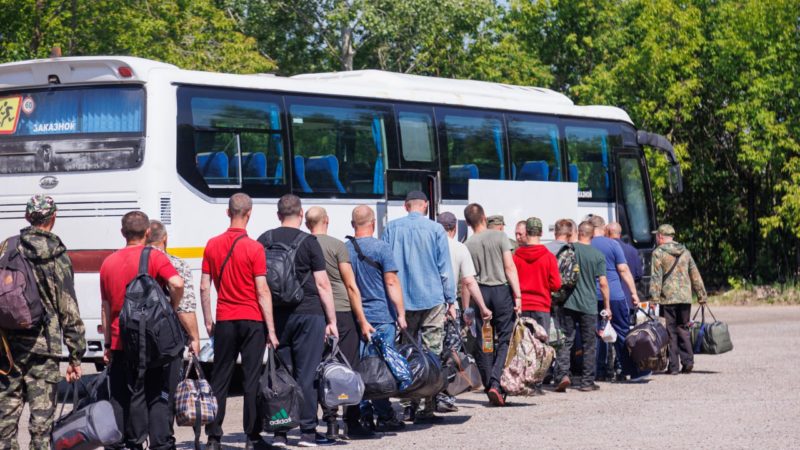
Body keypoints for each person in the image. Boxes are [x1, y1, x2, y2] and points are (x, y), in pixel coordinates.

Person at [0, 195, 85, 450]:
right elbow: (68, 308)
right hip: (44, 348)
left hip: (7, 348)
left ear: (27, 217)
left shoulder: (7, 247)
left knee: (5, 419)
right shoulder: (57, 255)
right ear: (53, 218)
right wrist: (75, 355)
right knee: (41, 425)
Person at [257, 194, 338, 447]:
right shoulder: (309, 242)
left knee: (281, 375)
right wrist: (331, 319)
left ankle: (280, 432)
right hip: (309, 312)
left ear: (278, 214)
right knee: (306, 374)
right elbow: (323, 284)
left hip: (277, 316)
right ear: (301, 215)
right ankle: (307, 433)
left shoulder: (264, 240)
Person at [100, 211, 184, 449]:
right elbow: (177, 283)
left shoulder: (108, 262)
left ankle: (127, 443)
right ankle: (160, 443)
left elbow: (105, 307)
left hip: (120, 340)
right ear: (148, 232)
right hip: (152, 342)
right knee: (157, 394)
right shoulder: (155, 257)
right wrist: (170, 309)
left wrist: (107, 344)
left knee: (122, 397)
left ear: (122, 233)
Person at [201, 193, 277, 450]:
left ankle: (213, 437)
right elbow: (262, 291)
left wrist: (208, 319)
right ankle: (252, 437)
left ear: (227, 212)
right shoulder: (255, 248)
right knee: (251, 379)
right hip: (252, 320)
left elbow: (204, 287)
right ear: (250, 213)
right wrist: (272, 330)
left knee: (220, 379)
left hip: (224, 319)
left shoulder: (212, 244)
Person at [381, 191, 455, 423]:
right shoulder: (435, 230)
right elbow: (445, 268)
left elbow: (384, 266)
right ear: (426, 205)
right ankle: (428, 404)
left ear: (405, 206)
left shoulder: (391, 229)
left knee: (406, 351)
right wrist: (451, 300)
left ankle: (407, 403)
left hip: (402, 300)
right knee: (432, 352)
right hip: (432, 298)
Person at [305, 206, 373, 440]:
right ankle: (351, 423)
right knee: (347, 368)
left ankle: (329, 423)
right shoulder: (337, 246)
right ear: (327, 220)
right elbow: (351, 285)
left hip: (314, 313)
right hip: (342, 312)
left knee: (319, 369)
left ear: (307, 224)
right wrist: (362, 320)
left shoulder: (303, 244)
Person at [346, 205, 407, 433]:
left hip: (357, 318)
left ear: (353, 225)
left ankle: (363, 414)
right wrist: (401, 313)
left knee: (361, 368)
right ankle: (385, 415)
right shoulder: (382, 248)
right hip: (382, 317)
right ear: (373, 223)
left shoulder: (345, 250)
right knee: (381, 369)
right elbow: (391, 282)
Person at [463, 204, 522, 406]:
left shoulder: (468, 243)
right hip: (501, 292)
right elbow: (509, 267)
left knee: (485, 340)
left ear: (468, 223)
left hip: (480, 293)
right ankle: (496, 382)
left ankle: (489, 385)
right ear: (484, 218)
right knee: (505, 338)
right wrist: (518, 296)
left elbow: (466, 279)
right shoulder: (500, 237)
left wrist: (468, 308)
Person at [435, 212, 492, 413]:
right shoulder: (460, 248)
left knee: (428, 351)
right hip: (451, 310)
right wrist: (483, 308)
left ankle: (422, 398)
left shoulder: (430, 245)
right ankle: (443, 396)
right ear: (455, 229)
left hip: (428, 307)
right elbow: (468, 281)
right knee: (450, 354)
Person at [554, 221, 609, 393]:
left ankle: (562, 376)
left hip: (568, 303)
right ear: (592, 235)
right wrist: (607, 306)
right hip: (588, 305)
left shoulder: (569, 249)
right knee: (589, 344)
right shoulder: (598, 255)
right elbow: (603, 283)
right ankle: (587, 382)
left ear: (578, 232)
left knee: (566, 341)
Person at [588, 216, 642, 382]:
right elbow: (624, 270)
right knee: (621, 332)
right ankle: (629, 370)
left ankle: (598, 372)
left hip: (590, 295)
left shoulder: (585, 244)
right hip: (614, 295)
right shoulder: (612, 244)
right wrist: (633, 293)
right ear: (604, 228)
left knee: (595, 334)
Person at [650, 224, 707, 375]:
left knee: (670, 331)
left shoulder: (658, 253)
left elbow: (656, 277)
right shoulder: (685, 252)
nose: (656, 238)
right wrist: (701, 295)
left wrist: (653, 298)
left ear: (661, 237)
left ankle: (674, 366)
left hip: (667, 298)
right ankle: (688, 362)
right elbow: (695, 274)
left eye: (657, 236)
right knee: (683, 329)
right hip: (684, 298)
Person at [513, 217, 561, 394]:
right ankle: (538, 384)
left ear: (527, 233)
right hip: (541, 306)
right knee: (541, 346)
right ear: (541, 233)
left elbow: (512, 279)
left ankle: (523, 381)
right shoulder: (548, 257)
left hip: (522, 306)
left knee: (523, 345)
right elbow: (556, 284)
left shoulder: (516, 256)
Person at [146, 220, 200, 356]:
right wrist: (194, 337)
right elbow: (184, 306)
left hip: (135, 331)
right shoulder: (176, 264)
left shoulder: (131, 260)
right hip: (166, 333)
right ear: (164, 238)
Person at [606, 222, 643, 308]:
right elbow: (639, 274)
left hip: (609, 299)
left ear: (608, 232)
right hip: (628, 298)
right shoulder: (632, 250)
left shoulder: (604, 250)